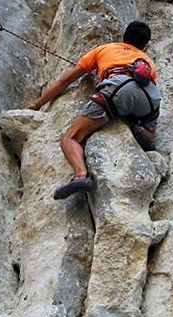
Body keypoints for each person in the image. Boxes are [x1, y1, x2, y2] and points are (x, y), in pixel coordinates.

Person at [26, 21, 162, 200]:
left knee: (71, 138)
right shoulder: (148, 61)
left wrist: (37, 104)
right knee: (147, 128)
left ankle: (81, 176)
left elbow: (64, 81)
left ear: (124, 36)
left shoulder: (105, 49)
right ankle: (143, 132)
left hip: (118, 88)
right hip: (151, 98)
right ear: (145, 45)